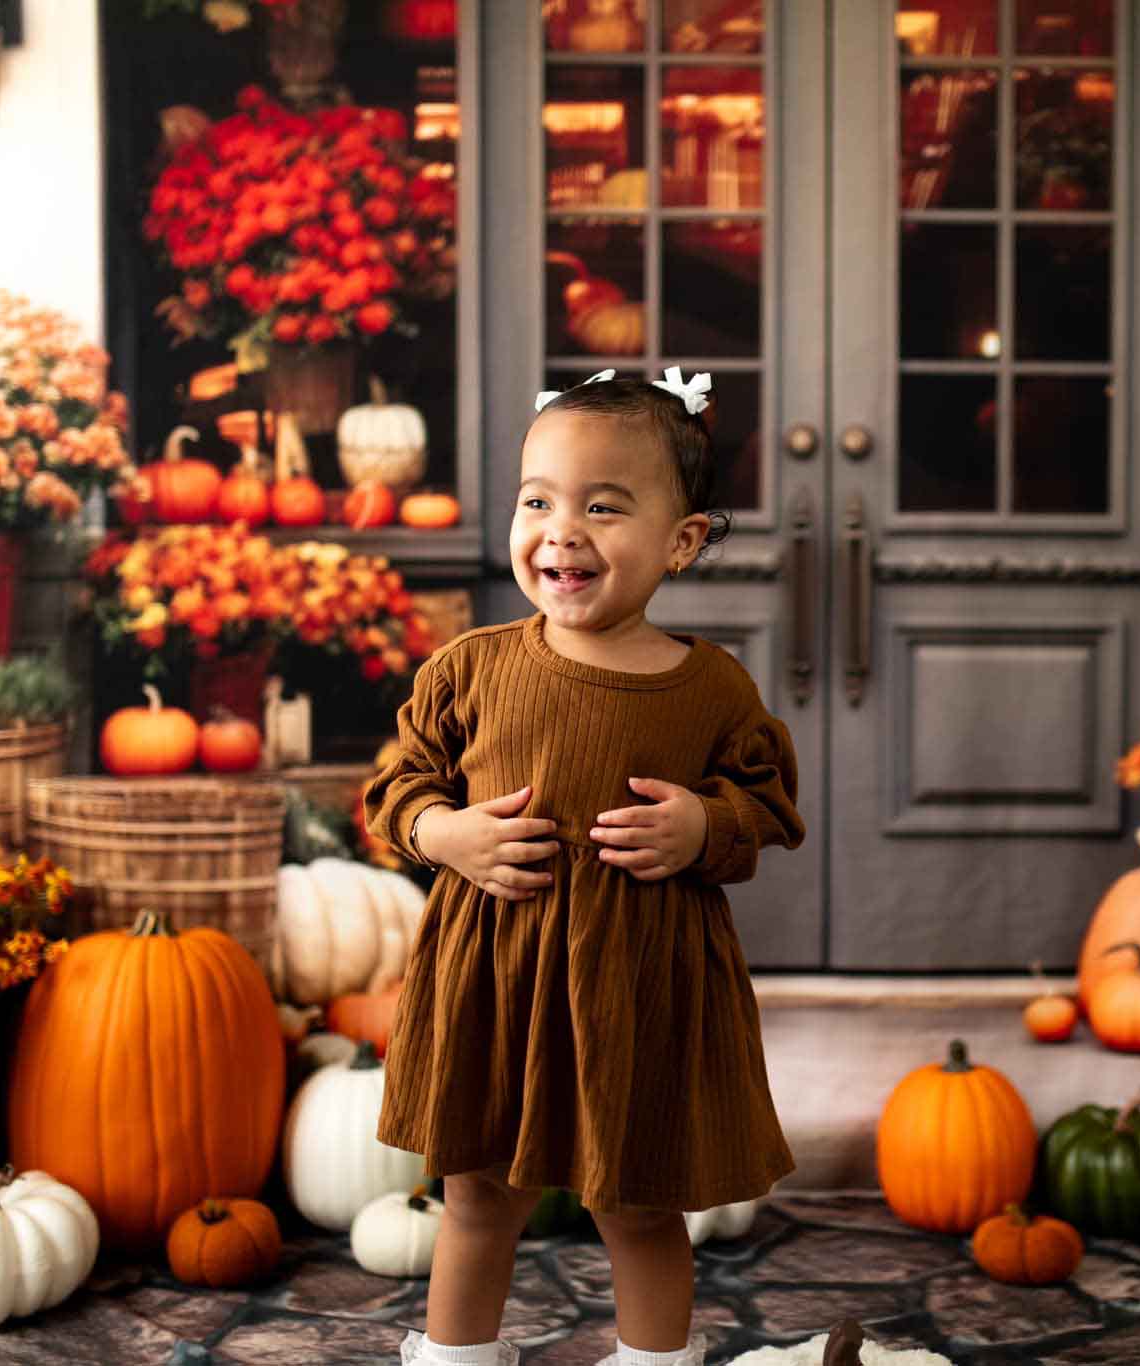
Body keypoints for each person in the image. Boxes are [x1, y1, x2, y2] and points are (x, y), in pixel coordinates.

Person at [364, 368, 804, 1366]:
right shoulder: (469, 668)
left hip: (640, 983)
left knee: (641, 1204)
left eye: (602, 507)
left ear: (679, 541)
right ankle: (457, 1355)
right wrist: (445, 836)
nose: (561, 531)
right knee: (476, 1192)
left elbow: (768, 803)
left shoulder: (710, 687)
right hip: (498, 976)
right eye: (537, 501)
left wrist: (700, 824)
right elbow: (396, 785)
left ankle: (652, 1361)